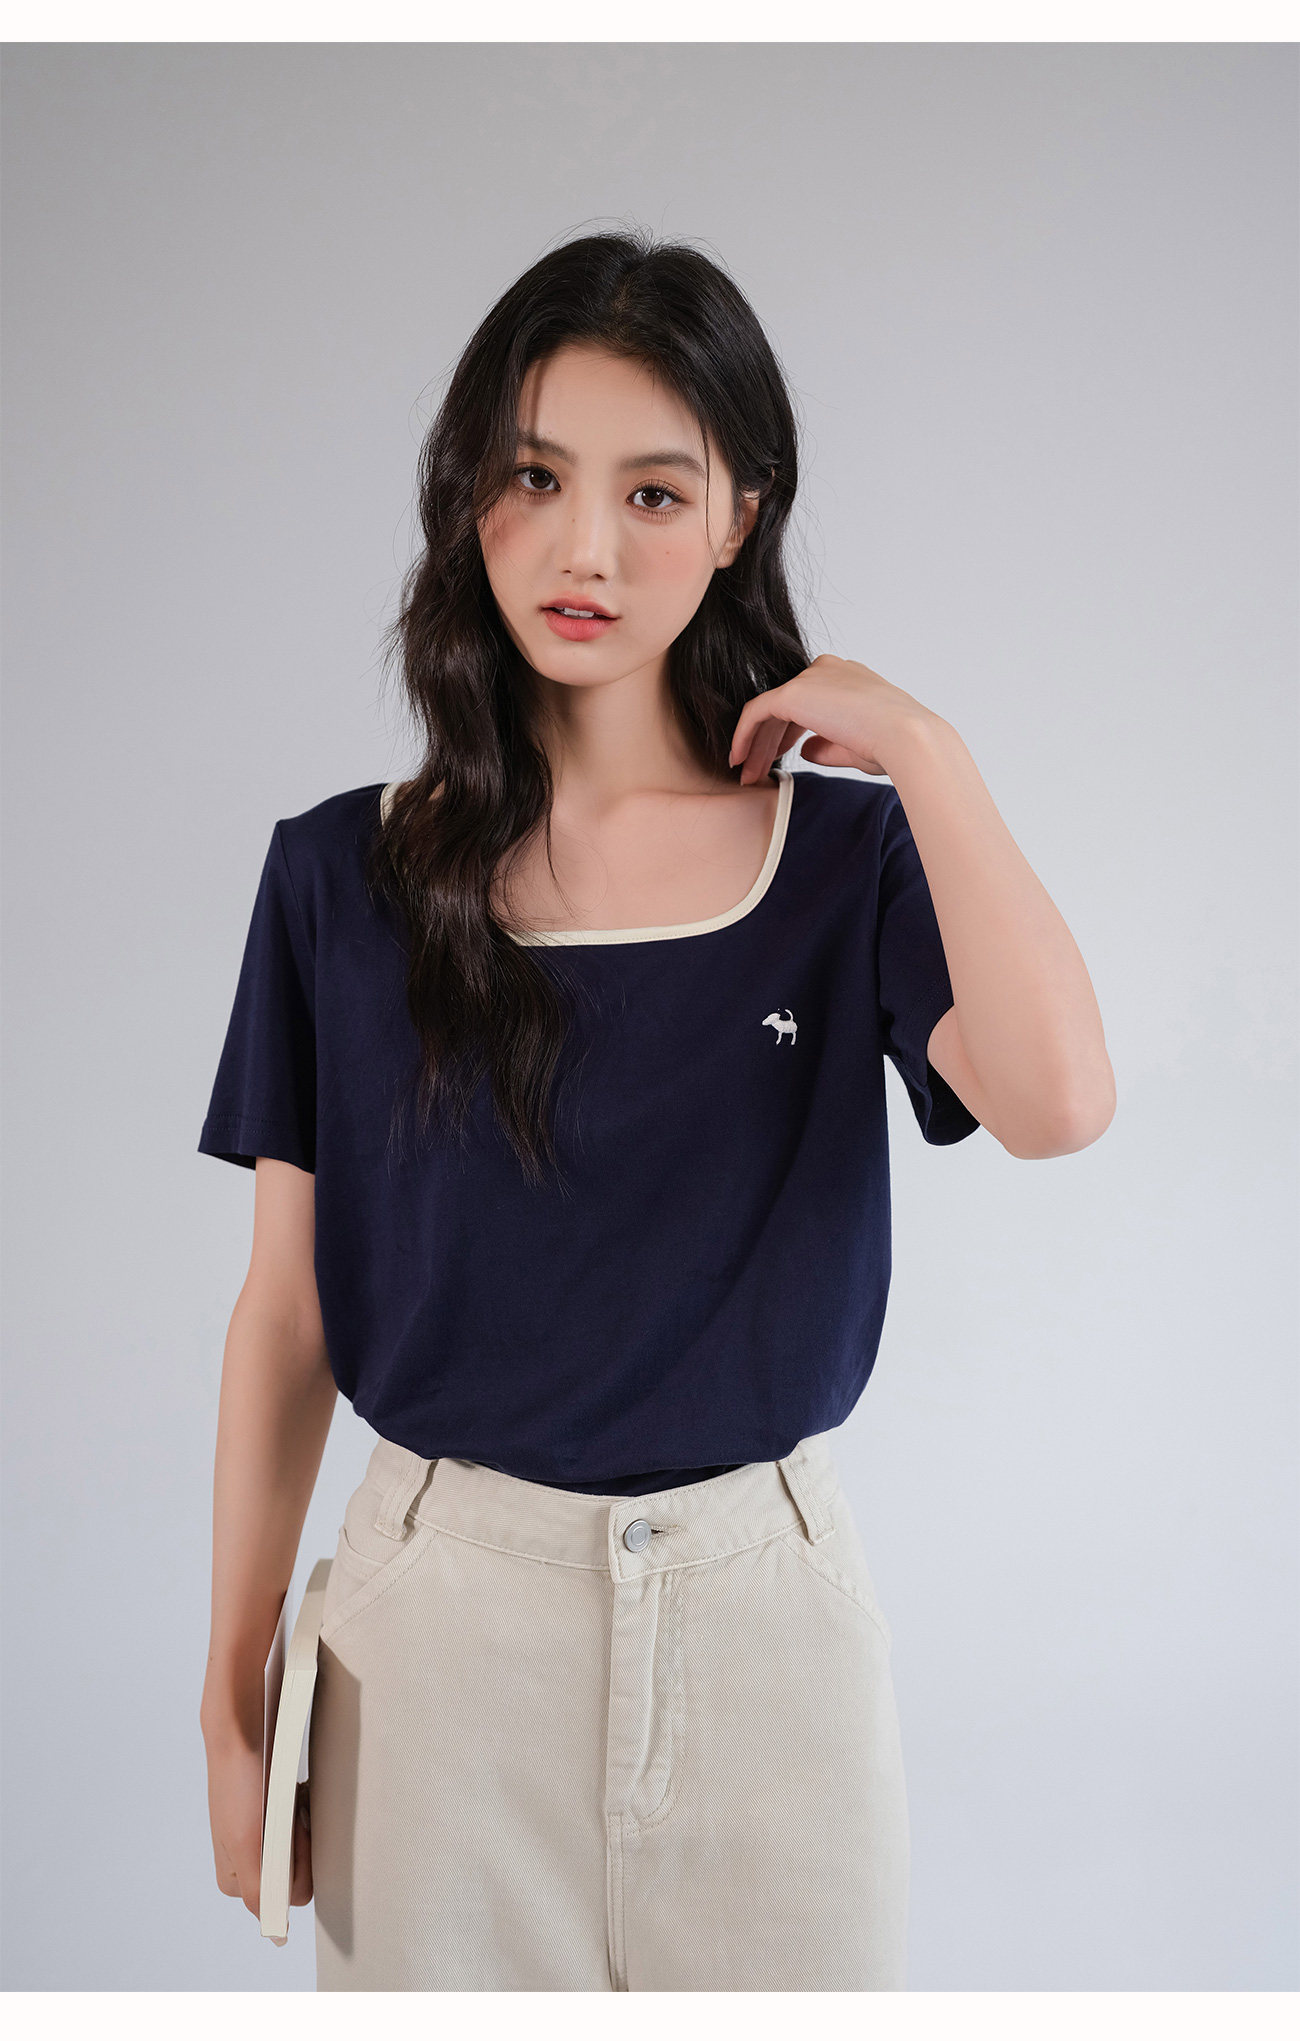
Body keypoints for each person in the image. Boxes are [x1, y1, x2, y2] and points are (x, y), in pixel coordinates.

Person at [196, 228, 1115, 1992]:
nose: (585, 550)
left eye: (654, 492)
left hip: (770, 1633)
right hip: (432, 1642)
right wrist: (230, 1685)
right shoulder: (338, 878)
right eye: (535, 478)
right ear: (468, 494)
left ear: (743, 514)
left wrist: (927, 748)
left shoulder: (844, 858)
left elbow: (1062, 1100)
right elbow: (287, 1310)